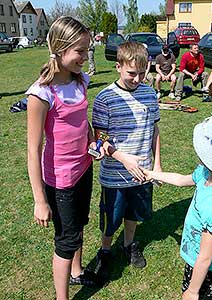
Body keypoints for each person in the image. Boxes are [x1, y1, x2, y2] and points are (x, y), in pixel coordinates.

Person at [26, 16, 101, 300]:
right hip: (60, 181)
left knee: (80, 223)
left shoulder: (81, 80)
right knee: (67, 239)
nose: (85, 56)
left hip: (84, 168)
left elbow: (84, 122)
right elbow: (33, 150)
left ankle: (77, 272)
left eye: (87, 49)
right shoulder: (41, 93)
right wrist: (39, 200)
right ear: (59, 48)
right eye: (80, 51)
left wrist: (92, 140)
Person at [92, 41, 161, 283]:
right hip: (114, 175)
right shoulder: (104, 98)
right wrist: (120, 157)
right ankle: (105, 250)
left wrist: (158, 165)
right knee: (111, 217)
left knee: (133, 213)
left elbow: (154, 129)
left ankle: (129, 244)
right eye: (132, 73)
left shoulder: (150, 93)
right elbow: (99, 137)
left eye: (142, 73)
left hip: (142, 171)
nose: (137, 78)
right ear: (118, 66)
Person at [138, 113, 212, 300]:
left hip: (208, 268)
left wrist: (193, 291)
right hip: (196, 259)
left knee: (198, 295)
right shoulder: (206, 174)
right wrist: (152, 174)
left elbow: (205, 256)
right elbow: (181, 180)